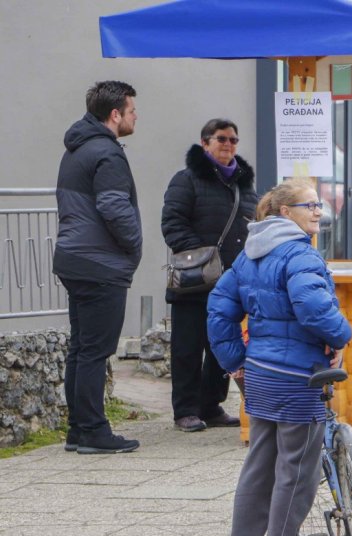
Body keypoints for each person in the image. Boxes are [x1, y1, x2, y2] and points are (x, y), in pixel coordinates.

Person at [207, 180, 352, 536]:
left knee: (258, 469)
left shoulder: (249, 254)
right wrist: (341, 336)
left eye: (319, 204)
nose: (319, 210)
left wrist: (235, 361)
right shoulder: (300, 254)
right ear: (286, 213)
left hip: (259, 375)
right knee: (296, 473)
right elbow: (313, 308)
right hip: (299, 379)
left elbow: (219, 310)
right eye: (310, 205)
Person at [54, 81, 142, 454]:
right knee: (94, 350)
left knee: (81, 347)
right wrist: (134, 245)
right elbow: (113, 206)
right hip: (100, 262)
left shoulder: (77, 149)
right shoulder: (107, 153)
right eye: (132, 110)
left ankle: (78, 429)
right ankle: (93, 430)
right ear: (115, 114)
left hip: (75, 258)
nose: (136, 116)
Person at [161, 118, 258, 432]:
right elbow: (173, 224)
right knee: (187, 348)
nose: (228, 145)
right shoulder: (186, 180)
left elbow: (253, 225)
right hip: (194, 280)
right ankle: (185, 410)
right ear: (205, 143)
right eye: (221, 139)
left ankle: (211, 405)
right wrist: (206, 259)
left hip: (231, 281)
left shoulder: (243, 184)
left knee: (224, 345)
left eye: (233, 139)